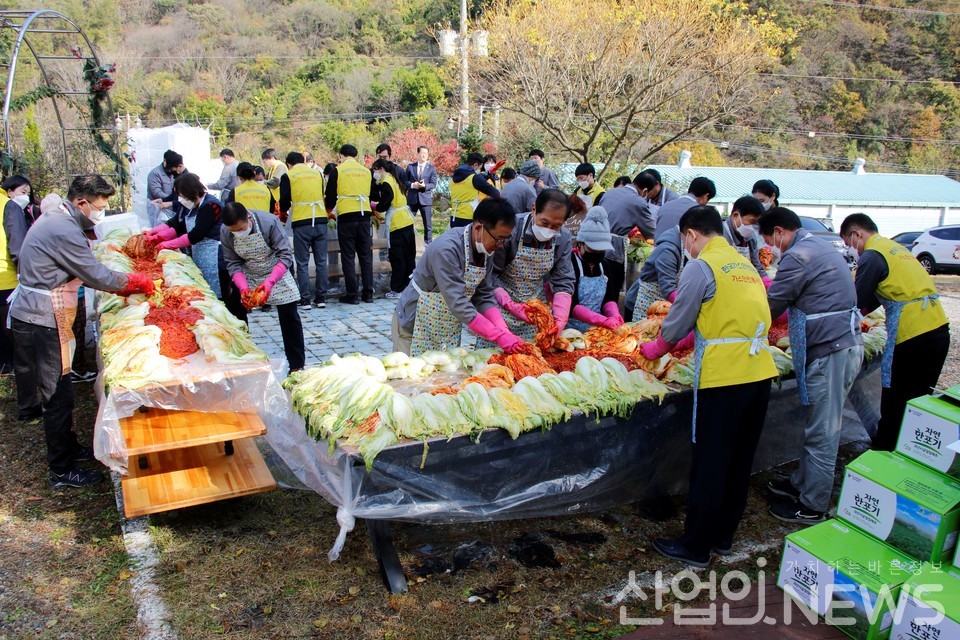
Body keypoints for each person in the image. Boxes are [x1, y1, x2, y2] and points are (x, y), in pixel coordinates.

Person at [639, 205, 777, 567]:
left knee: (711, 462)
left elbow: (678, 319)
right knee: (738, 460)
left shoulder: (702, 266)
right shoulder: (744, 264)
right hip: (759, 372)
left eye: (686, 240)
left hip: (725, 377)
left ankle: (696, 545)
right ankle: (723, 536)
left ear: (690, 234)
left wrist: (656, 348)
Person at [10, 175, 155, 487]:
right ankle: (61, 470)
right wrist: (134, 283)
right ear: (81, 203)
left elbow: (87, 272)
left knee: (62, 388)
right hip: (41, 318)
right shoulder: (63, 228)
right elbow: (95, 275)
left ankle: (70, 446)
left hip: (48, 314)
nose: (100, 213)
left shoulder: (60, 219)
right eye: (99, 207)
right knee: (57, 395)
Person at [761, 207, 864, 524]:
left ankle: (813, 505)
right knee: (818, 423)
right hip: (839, 345)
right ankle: (802, 484)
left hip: (832, 349)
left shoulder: (799, 255)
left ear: (779, 232)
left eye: (768, 240)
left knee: (823, 430)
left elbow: (774, 303)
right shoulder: (818, 246)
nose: (770, 248)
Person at [840, 213, 950, 451]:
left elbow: (857, 301)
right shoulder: (894, 248)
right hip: (938, 330)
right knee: (917, 403)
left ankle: (884, 455)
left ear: (856, 234)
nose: (853, 251)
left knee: (896, 402)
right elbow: (880, 297)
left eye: (850, 244)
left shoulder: (872, 254)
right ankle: (910, 450)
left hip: (914, 336)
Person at [393, 198, 526, 356]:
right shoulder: (447, 250)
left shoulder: (486, 249)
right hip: (415, 323)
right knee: (413, 376)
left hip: (447, 324)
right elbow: (458, 302)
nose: (501, 245)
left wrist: (502, 328)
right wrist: (497, 336)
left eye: (506, 239)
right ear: (478, 228)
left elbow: (482, 294)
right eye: (499, 238)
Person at [145, 173, 246, 321]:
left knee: (223, 299)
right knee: (208, 297)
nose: (181, 199)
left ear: (190, 192)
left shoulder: (211, 206)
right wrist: (156, 234)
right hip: (200, 255)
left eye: (182, 195)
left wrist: (167, 244)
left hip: (216, 258)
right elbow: (179, 225)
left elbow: (196, 234)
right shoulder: (191, 206)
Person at [220, 202, 305, 372]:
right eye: (234, 231)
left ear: (248, 218)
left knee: (289, 317)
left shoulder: (269, 223)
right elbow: (232, 263)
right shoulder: (225, 231)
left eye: (240, 229)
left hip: (276, 272)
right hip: (248, 273)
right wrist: (243, 288)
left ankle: (296, 365)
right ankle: (242, 359)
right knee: (235, 313)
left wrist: (269, 282)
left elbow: (285, 255)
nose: (237, 233)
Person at [489, 188, 575, 342]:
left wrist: (560, 316)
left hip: (535, 313)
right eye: (544, 222)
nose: (549, 230)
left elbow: (563, 279)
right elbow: (490, 273)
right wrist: (508, 304)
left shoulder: (563, 239)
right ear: (534, 208)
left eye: (556, 226)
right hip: (500, 307)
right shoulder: (511, 230)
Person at [324, 144, 375, 305]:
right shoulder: (366, 171)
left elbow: (331, 196)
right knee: (366, 256)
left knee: (348, 256)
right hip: (364, 216)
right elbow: (373, 194)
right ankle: (368, 293)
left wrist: (328, 211)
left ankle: (352, 294)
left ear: (342, 155)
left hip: (347, 216)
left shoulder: (337, 171)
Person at [279, 152, 327, 309]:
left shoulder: (289, 175)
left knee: (302, 262)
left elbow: (284, 202)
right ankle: (321, 298)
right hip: (320, 220)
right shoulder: (317, 173)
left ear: (289, 164)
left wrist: (284, 213)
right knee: (321, 261)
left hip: (302, 222)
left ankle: (305, 299)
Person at [566, 207, 624, 332]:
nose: (596, 254)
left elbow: (609, 298)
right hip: (570, 329)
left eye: (601, 251)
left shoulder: (605, 265)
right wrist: (602, 320)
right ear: (580, 243)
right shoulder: (570, 263)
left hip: (596, 331)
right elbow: (571, 304)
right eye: (592, 250)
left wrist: (614, 315)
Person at [1, 176, 33, 377]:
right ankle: (9, 364)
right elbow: (17, 244)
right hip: (6, 275)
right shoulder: (9, 206)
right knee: (8, 324)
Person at [371, 158, 416, 299]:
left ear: (381, 169)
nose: (374, 173)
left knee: (397, 257)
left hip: (397, 223)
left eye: (375, 170)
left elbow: (385, 202)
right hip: (407, 220)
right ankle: (410, 286)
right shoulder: (395, 179)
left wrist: (375, 206)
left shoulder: (387, 183)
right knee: (409, 256)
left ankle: (397, 289)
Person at [624, 221, 684, 322]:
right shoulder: (668, 250)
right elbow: (668, 289)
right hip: (643, 305)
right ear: (692, 235)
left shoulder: (684, 249)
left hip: (662, 309)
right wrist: (688, 306)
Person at [595, 172, 656, 269]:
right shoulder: (638, 202)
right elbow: (651, 232)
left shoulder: (610, 192)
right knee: (613, 282)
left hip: (594, 245)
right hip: (613, 251)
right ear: (645, 191)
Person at [722, 196, 770, 285]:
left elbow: (756, 264)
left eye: (756, 224)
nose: (753, 227)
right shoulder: (720, 234)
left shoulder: (750, 237)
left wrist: (765, 281)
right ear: (735, 216)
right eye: (752, 221)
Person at [449, 152, 500, 229]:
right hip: (468, 218)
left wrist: (488, 173)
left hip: (454, 217)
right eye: (480, 167)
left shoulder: (454, 177)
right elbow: (495, 193)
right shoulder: (474, 178)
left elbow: (475, 180)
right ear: (475, 165)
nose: (480, 169)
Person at [405, 145, 438, 244]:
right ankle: (408, 243)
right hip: (412, 199)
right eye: (422, 153)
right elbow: (404, 181)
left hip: (425, 199)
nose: (424, 155)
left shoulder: (431, 168)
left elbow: (433, 183)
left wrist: (424, 186)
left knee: (427, 225)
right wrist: (412, 185)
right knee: (408, 223)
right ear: (418, 154)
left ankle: (428, 244)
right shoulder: (411, 167)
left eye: (426, 154)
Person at [147, 150, 185, 220]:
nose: (171, 172)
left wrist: (171, 203)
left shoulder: (186, 179)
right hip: (167, 212)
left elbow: (188, 201)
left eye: (172, 170)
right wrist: (164, 200)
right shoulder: (155, 173)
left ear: (180, 166)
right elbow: (174, 196)